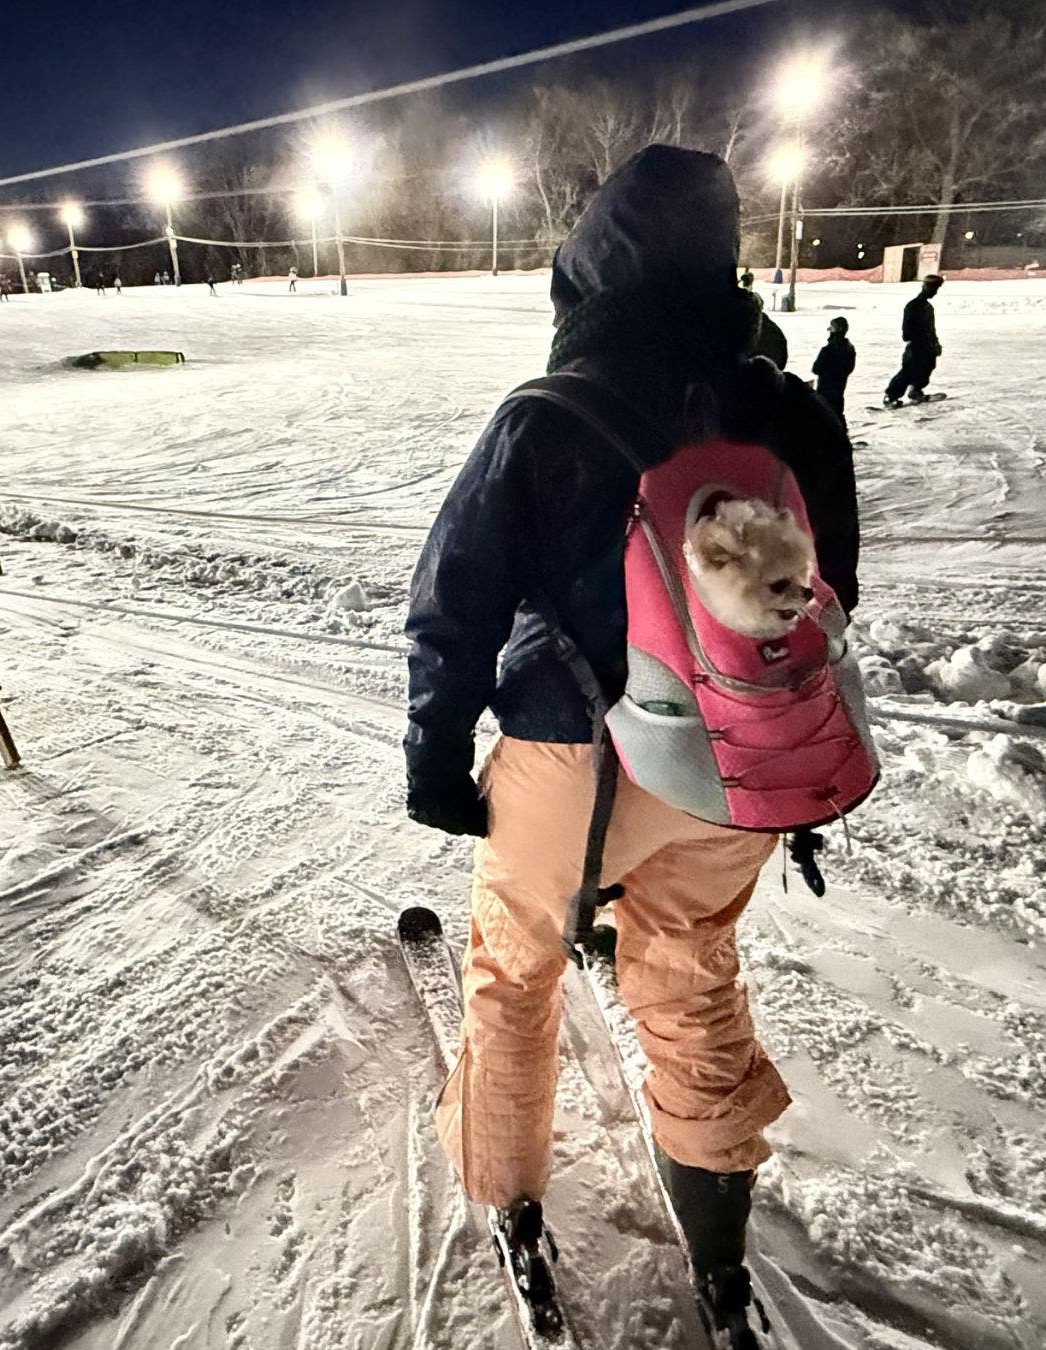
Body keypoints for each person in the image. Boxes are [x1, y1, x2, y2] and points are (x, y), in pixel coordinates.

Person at [403, 145, 859, 1344]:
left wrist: (437, 759)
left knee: (517, 970)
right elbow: (825, 598)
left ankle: (509, 1195)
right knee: (691, 969)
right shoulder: (792, 412)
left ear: (588, 276)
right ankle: (717, 1244)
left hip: (571, 751)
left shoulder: (551, 415)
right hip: (726, 759)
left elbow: (453, 599)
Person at [882, 274, 943, 406]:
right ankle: (890, 396)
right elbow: (907, 328)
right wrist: (911, 339)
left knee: (927, 367)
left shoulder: (928, 307)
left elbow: (931, 329)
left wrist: (935, 343)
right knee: (908, 371)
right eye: (933, 289)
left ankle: (915, 391)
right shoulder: (913, 305)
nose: (935, 292)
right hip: (916, 345)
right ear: (925, 287)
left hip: (927, 345)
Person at [812, 316, 856, 421]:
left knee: (824, 413)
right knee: (838, 411)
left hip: (825, 387)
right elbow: (850, 368)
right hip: (840, 386)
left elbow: (816, 368)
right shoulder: (850, 348)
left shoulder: (827, 350)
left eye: (831, 328)